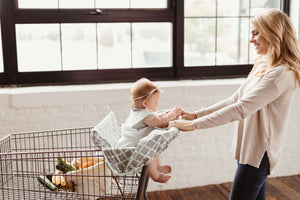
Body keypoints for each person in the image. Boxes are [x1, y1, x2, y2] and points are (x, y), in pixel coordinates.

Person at [168, 8, 300, 200]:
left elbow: (241, 108)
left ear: (273, 33)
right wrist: (196, 115)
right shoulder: (263, 64)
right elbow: (235, 99)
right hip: (248, 148)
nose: (251, 39)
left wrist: (195, 125)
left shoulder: (281, 74)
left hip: (259, 153)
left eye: (256, 33)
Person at [117, 77, 182, 183]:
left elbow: (156, 118)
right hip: (129, 149)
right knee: (148, 155)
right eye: (156, 102)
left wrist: (164, 115)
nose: (157, 105)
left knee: (152, 149)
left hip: (135, 145)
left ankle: (157, 168)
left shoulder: (139, 112)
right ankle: (155, 175)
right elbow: (158, 122)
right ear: (145, 104)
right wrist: (172, 114)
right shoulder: (144, 115)